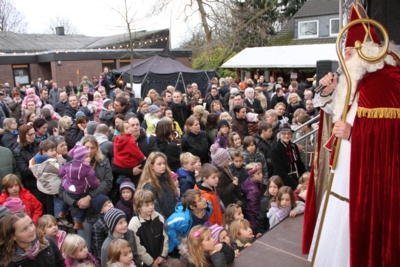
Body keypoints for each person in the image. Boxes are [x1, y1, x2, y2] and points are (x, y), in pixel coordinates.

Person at [305, 6, 400, 266]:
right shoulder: (358, 80)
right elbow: (336, 111)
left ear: (365, 52)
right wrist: (329, 92)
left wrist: (354, 132)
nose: (344, 60)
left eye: (347, 54)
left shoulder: (389, 80)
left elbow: (391, 135)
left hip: (369, 174)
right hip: (346, 168)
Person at [0, 212, 66, 267]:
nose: (32, 230)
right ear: (13, 236)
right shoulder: (9, 261)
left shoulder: (47, 242)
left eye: (31, 224)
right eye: (24, 229)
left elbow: (60, 263)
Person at [58, 145, 100, 230]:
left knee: (66, 198)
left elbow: (60, 173)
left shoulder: (68, 165)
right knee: (83, 206)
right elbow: (92, 181)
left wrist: (66, 177)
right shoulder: (87, 169)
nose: (89, 159)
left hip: (69, 188)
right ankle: (79, 222)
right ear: (81, 158)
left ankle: (63, 212)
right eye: (87, 157)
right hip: (80, 191)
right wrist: (97, 184)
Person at [29, 139, 67, 224]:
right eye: (51, 151)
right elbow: (63, 170)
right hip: (56, 190)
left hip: (45, 189)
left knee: (51, 208)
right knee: (59, 209)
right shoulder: (50, 164)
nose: (54, 152)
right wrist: (60, 159)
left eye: (54, 150)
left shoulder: (34, 162)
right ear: (44, 152)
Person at [128, 189, 168, 267]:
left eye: (152, 204)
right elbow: (138, 248)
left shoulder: (158, 217)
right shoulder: (134, 224)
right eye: (147, 205)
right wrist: (151, 262)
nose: (151, 207)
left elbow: (164, 238)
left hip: (160, 259)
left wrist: (162, 255)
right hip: (145, 263)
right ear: (138, 207)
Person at [137, 152, 177, 219]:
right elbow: (154, 209)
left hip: (173, 218)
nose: (163, 166)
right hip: (162, 223)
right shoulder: (149, 186)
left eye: (164, 163)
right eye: (159, 164)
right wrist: (166, 222)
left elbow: (173, 200)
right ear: (152, 166)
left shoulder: (166, 180)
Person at [270, 123, 305, 190]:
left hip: (297, 179)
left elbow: (299, 164)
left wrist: (305, 175)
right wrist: (295, 185)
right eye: (284, 133)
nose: (287, 136)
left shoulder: (294, 146)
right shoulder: (275, 149)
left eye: (289, 133)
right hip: (284, 184)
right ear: (280, 135)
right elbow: (279, 171)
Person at [241, 163, 264, 235]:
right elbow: (253, 207)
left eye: (261, 173)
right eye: (258, 174)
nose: (261, 175)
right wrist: (259, 218)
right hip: (253, 218)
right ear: (252, 175)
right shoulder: (253, 190)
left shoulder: (251, 182)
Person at [91, 194, 114, 261]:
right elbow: (98, 245)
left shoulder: (117, 215)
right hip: (109, 254)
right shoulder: (98, 226)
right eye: (105, 205)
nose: (109, 205)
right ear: (101, 211)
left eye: (109, 202)